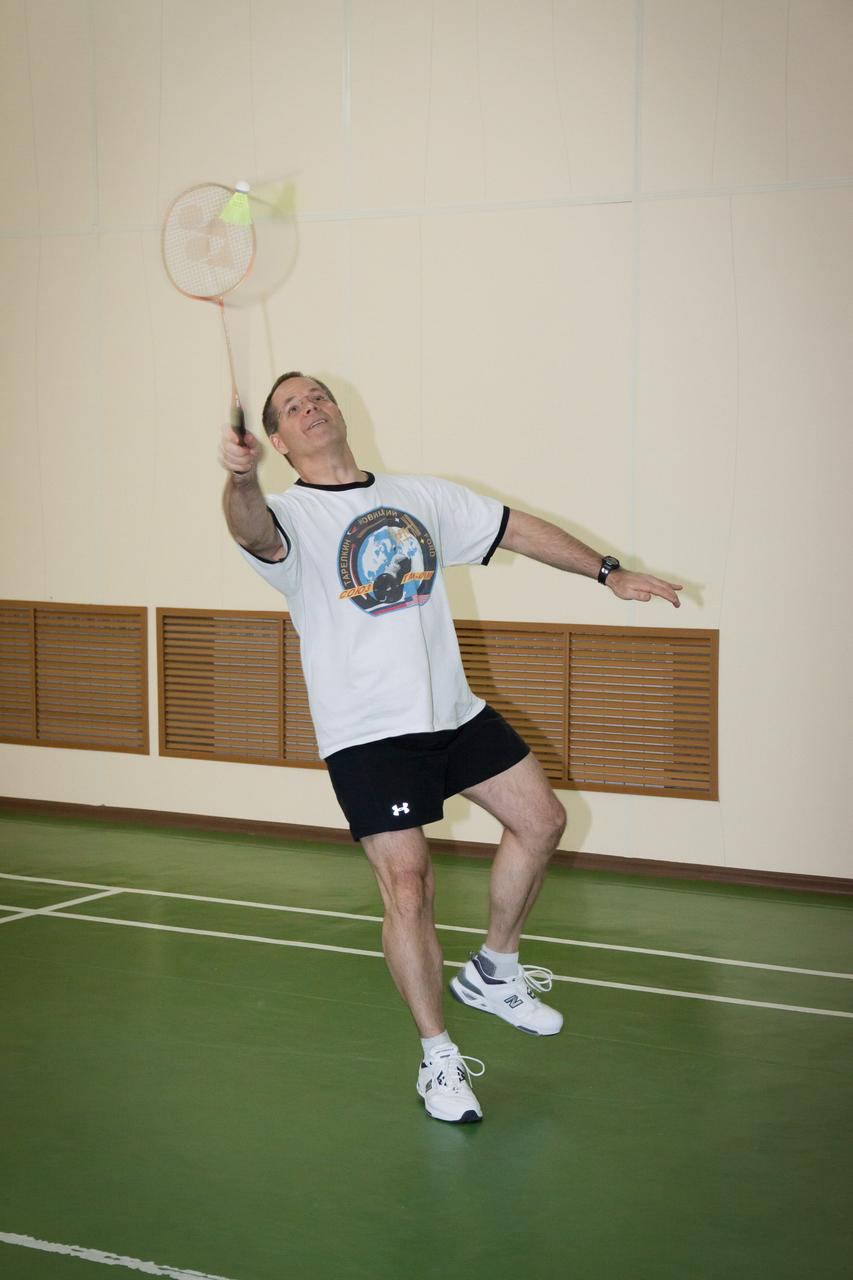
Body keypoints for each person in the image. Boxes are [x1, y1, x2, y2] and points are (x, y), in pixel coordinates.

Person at [219, 372, 682, 1124]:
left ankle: (495, 970)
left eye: (317, 398)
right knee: (409, 889)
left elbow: (516, 529)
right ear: (276, 441)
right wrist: (238, 479)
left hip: (451, 711)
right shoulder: (288, 516)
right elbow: (248, 529)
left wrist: (608, 572)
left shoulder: (421, 495)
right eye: (292, 409)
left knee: (541, 821)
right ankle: (437, 1059)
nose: (311, 410)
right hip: (368, 731)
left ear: (340, 412)